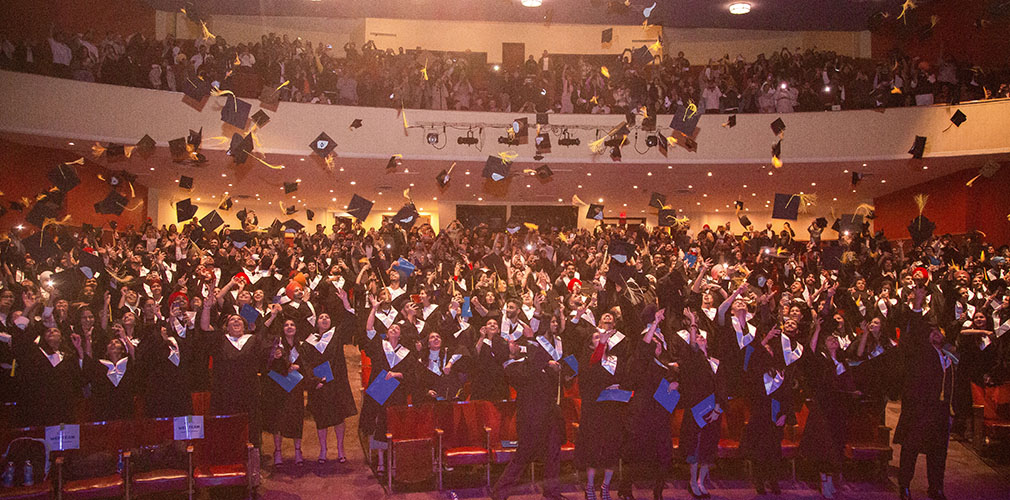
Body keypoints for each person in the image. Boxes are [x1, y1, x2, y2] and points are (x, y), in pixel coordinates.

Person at [491, 320, 566, 500]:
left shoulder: (525, 361)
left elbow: (539, 365)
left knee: (553, 454)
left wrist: (552, 367)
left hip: (548, 413)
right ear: (506, 351)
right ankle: (499, 492)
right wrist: (531, 340)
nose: (516, 344)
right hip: (531, 419)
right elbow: (533, 368)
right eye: (512, 343)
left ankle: (552, 492)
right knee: (523, 456)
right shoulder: (511, 368)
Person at [894, 286, 955, 500]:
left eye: (939, 331)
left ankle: (936, 488)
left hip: (940, 411)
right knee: (911, 448)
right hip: (920, 408)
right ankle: (904, 486)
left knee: (938, 452)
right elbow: (917, 331)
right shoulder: (922, 351)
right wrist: (918, 305)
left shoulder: (948, 356)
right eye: (932, 331)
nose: (936, 333)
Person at [617, 308, 676, 500]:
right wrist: (655, 324)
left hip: (661, 410)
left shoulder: (666, 364)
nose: (657, 345)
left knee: (664, 452)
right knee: (636, 451)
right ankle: (625, 489)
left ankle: (658, 491)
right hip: (643, 410)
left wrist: (675, 383)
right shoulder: (641, 360)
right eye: (654, 342)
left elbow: (674, 377)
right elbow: (643, 349)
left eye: (660, 342)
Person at [801, 316, 859, 498]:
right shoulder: (821, 361)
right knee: (825, 446)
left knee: (837, 444)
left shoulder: (843, 362)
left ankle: (833, 478)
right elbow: (809, 354)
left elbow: (847, 384)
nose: (833, 340)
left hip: (839, 409)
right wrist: (817, 330)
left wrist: (853, 392)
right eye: (829, 339)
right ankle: (824, 480)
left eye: (835, 338)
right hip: (824, 408)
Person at [576, 312, 628, 500]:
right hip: (594, 412)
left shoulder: (615, 360)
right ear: (590, 344)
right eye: (597, 337)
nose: (602, 338)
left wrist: (619, 386)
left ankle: (605, 486)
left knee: (611, 449)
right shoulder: (587, 360)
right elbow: (592, 368)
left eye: (603, 337)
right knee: (594, 449)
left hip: (612, 409)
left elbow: (625, 378)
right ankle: (590, 487)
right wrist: (602, 344)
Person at [676, 308, 725, 499]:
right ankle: (692, 481)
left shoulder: (716, 361)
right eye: (697, 338)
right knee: (694, 446)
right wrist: (693, 322)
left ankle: (701, 481)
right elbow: (692, 347)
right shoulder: (693, 359)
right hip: (697, 409)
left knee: (708, 447)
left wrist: (718, 408)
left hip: (714, 410)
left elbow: (722, 386)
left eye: (703, 338)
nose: (700, 339)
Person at [263, 318, 306, 467]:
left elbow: (307, 364)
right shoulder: (277, 344)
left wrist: (298, 367)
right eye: (286, 325)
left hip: (296, 386)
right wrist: (279, 362)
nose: (289, 327)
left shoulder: (302, 346)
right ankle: (278, 452)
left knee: (296, 418)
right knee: (278, 419)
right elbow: (269, 365)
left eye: (292, 324)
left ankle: (298, 451)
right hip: (279, 386)